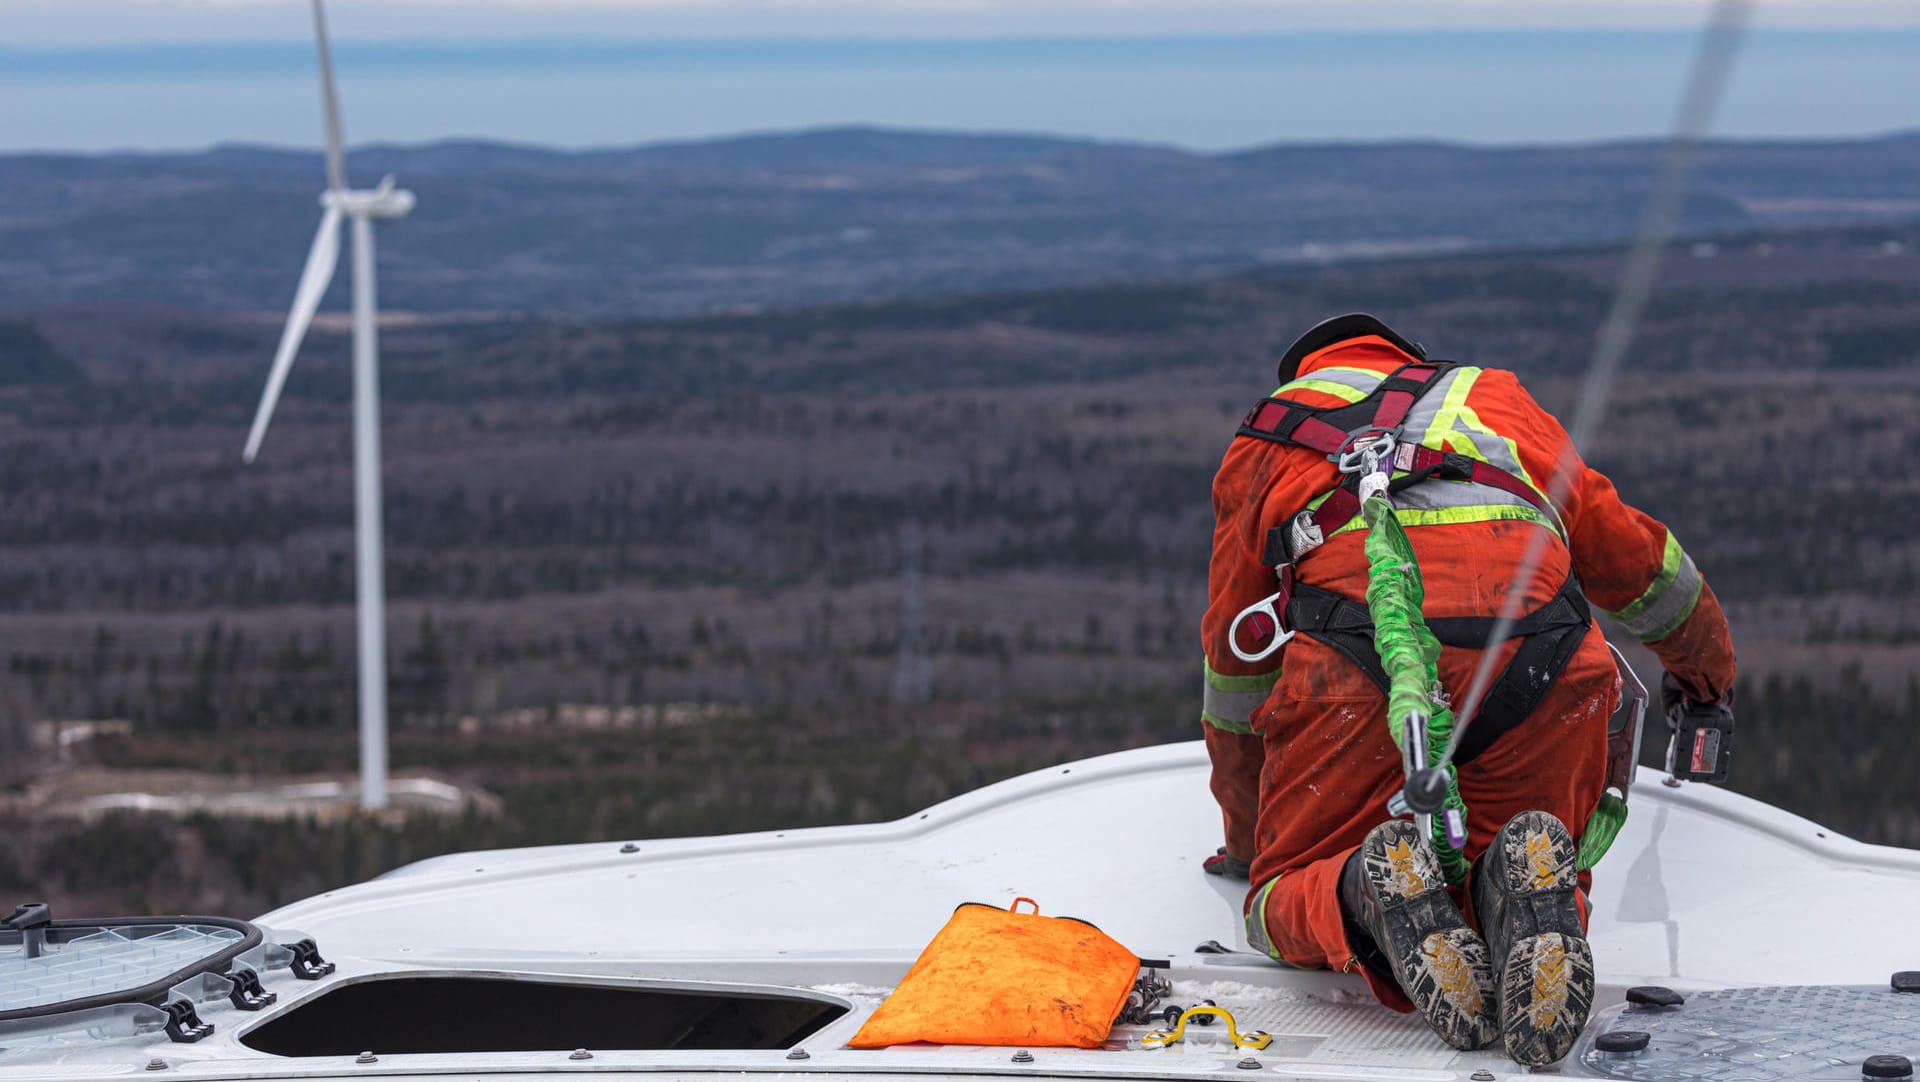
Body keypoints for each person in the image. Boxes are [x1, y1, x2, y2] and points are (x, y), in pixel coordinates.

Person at [1198, 314, 1735, 1065]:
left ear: (1304, 371)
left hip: (1358, 672)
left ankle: (1363, 890)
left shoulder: (1265, 440)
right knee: (1518, 865)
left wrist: (1250, 845)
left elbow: (1236, 670)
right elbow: (1644, 566)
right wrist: (1705, 678)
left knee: (1277, 902)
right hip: (1548, 660)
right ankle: (1530, 883)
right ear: (1408, 359)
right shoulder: (1497, 399)